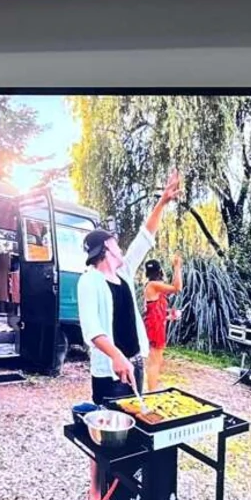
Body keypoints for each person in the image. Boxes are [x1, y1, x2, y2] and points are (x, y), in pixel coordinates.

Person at [78, 170, 180, 407]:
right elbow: (92, 330)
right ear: (105, 249)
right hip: (111, 372)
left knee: (133, 420)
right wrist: (116, 356)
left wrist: (162, 202)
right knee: (112, 423)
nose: (121, 248)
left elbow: (145, 237)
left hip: (135, 364)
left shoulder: (123, 274)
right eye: (115, 244)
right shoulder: (89, 281)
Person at [142, 253, 183, 394]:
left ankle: (152, 389)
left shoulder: (154, 286)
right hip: (155, 326)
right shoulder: (153, 285)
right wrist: (177, 267)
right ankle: (151, 392)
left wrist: (169, 315)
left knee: (158, 359)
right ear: (160, 271)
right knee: (155, 360)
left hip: (156, 324)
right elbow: (177, 288)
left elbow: (154, 309)